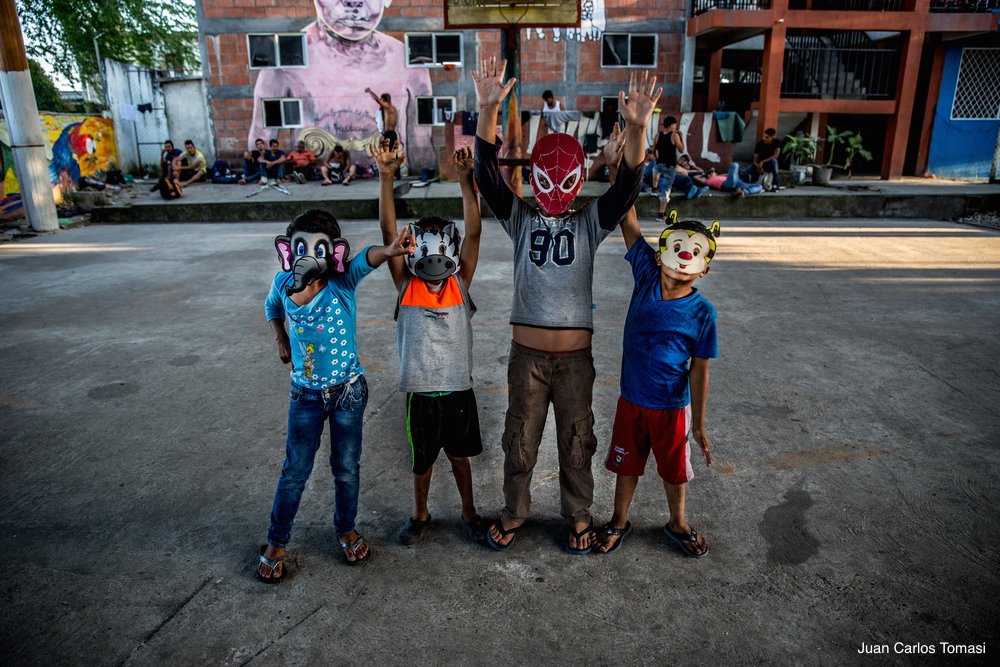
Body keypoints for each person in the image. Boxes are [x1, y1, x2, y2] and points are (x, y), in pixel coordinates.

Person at [473, 56, 660, 555]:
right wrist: (486, 110)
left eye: (564, 180)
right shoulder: (519, 218)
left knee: (578, 442)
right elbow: (487, 174)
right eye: (545, 179)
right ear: (534, 177)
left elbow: (627, 188)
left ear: (577, 181)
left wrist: (637, 132)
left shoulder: (589, 223)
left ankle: (578, 515)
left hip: (575, 360)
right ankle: (515, 510)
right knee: (520, 440)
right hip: (527, 358)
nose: (554, 190)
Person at [256, 209, 413, 582]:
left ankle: (345, 529)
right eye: (301, 247)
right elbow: (272, 307)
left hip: (348, 393)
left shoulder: (342, 282)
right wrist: (280, 337)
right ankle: (277, 540)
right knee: (295, 471)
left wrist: (390, 249)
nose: (309, 255)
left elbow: (368, 258)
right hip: (305, 396)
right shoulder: (282, 282)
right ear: (287, 251)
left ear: (334, 253)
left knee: (345, 468)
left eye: (319, 248)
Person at [596, 136, 719, 557]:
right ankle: (619, 520)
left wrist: (698, 423)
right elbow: (628, 220)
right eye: (678, 248)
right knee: (625, 464)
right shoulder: (647, 273)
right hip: (632, 399)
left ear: (702, 270)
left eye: (694, 255)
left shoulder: (703, 314)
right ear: (664, 249)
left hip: (672, 407)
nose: (683, 258)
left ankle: (677, 521)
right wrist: (617, 170)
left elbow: (700, 369)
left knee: (674, 471)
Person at [371, 139, 487, 546]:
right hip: (421, 393)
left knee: (460, 457)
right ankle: (420, 515)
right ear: (413, 248)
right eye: (425, 248)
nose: (435, 258)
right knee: (422, 462)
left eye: (443, 249)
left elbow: (473, 231)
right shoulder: (406, 283)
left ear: (451, 252)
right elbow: (388, 230)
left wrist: (466, 181)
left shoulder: (460, 283)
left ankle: (469, 512)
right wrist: (387, 176)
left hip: (458, 389)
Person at [653, 115, 684, 219]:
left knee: (656, 174)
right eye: (675, 124)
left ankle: (654, 187)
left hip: (659, 165)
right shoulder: (674, 135)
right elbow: (681, 150)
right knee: (666, 190)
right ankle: (660, 214)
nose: (676, 126)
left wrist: (658, 158)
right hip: (669, 167)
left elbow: (653, 151)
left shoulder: (658, 135)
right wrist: (682, 138)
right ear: (671, 125)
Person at [753, 128, 781, 192]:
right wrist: (758, 166)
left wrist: (762, 161)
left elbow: (776, 155)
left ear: (773, 137)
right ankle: (753, 182)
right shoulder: (760, 143)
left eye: (767, 137)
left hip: (769, 164)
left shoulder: (776, 142)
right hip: (760, 165)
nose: (764, 139)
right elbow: (754, 160)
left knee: (774, 161)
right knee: (750, 169)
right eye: (764, 137)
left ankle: (775, 184)